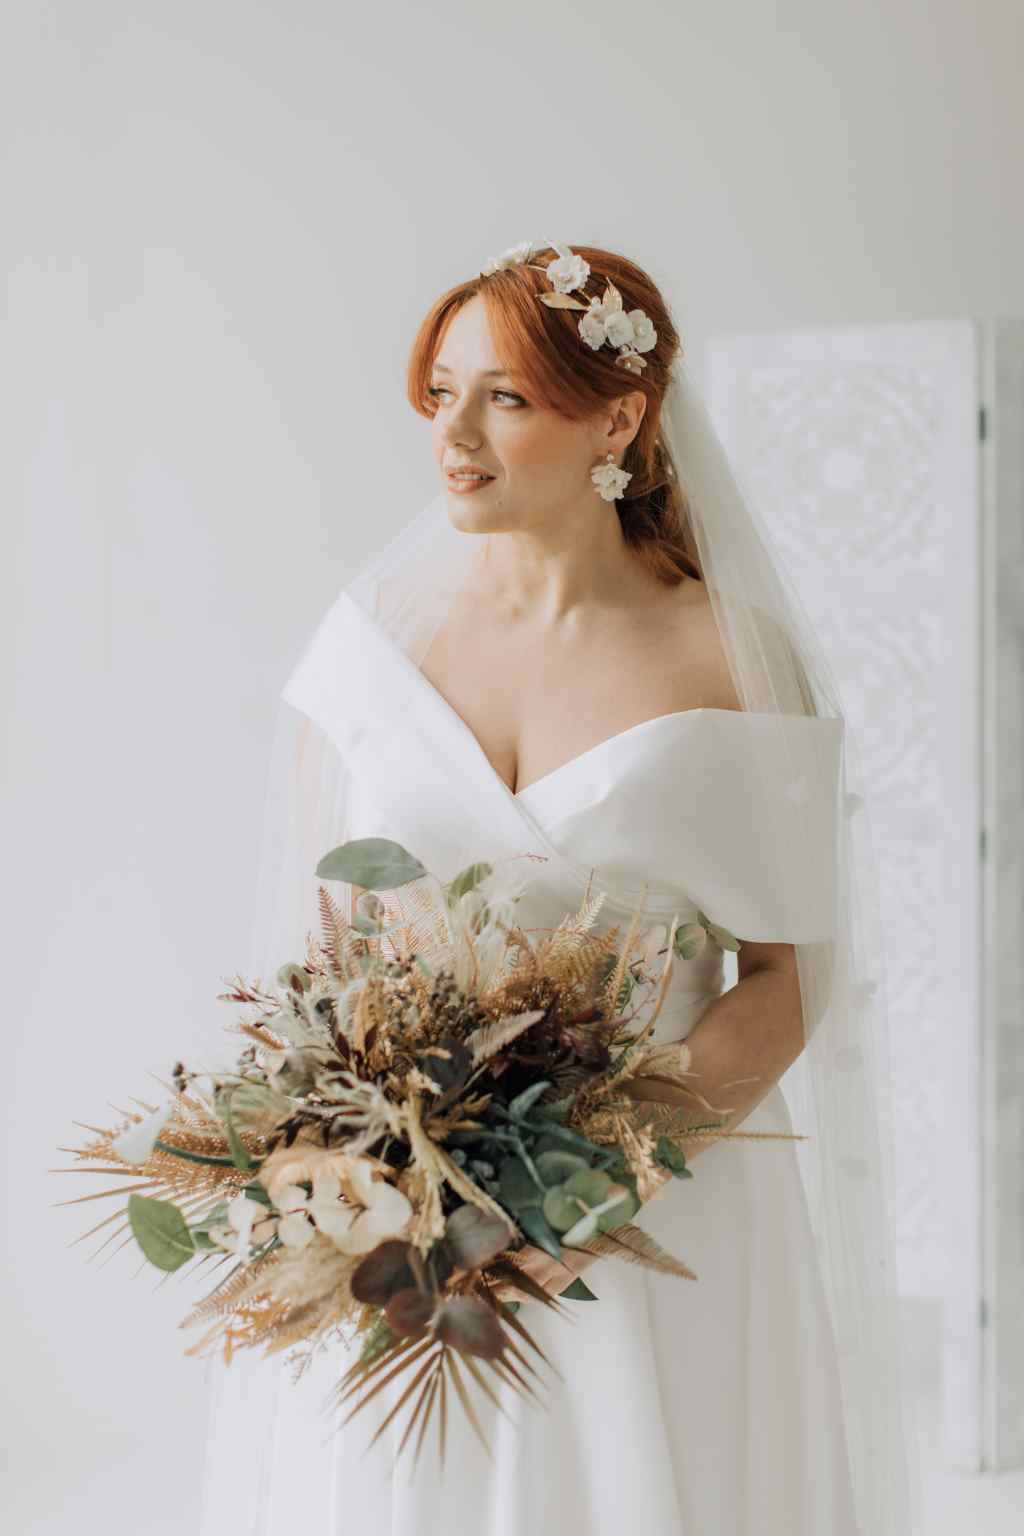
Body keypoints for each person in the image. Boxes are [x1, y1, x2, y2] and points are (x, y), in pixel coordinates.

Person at [197, 242, 921, 1534]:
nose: (454, 436)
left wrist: (593, 1181)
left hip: (655, 1199)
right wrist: (336, 1151)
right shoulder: (377, 648)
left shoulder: (727, 656)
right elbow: (323, 952)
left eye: (507, 399)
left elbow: (784, 979)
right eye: (442, 392)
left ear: (621, 417)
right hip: (408, 1199)